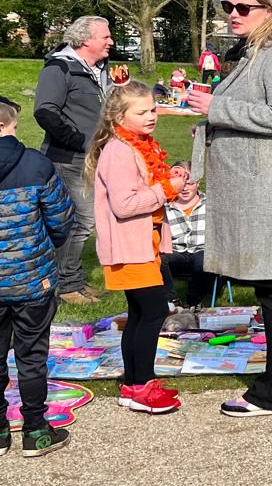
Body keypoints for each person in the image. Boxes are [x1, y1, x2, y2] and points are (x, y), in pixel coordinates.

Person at [185, 0, 272, 418]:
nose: (233, 15)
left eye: (244, 8)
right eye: (228, 7)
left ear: (269, 10)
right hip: (261, 188)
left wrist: (217, 108)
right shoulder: (253, 54)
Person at [88, 81, 182, 416]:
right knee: (154, 311)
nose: (151, 116)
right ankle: (142, 386)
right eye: (141, 112)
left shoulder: (139, 144)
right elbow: (125, 204)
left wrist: (167, 179)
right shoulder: (119, 151)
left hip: (144, 243)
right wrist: (166, 189)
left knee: (141, 313)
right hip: (129, 247)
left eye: (153, 109)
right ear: (119, 117)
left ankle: (134, 384)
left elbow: (143, 185)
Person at [0, 97, 75, 457]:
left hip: (24, 278)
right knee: (31, 355)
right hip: (32, 279)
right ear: (8, 124)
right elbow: (61, 218)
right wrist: (45, 246)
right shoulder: (35, 164)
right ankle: (35, 429)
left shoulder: (34, 164)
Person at [32, 14, 111, 305]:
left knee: (84, 221)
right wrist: (81, 142)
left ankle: (74, 280)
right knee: (78, 221)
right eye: (106, 36)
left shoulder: (98, 69)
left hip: (94, 156)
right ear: (86, 40)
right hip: (69, 158)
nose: (111, 41)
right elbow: (45, 111)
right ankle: (67, 287)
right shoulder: (59, 67)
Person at [161, 161, 217, 308]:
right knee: (160, 258)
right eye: (181, 184)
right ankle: (172, 301)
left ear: (198, 182)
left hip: (201, 251)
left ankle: (195, 300)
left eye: (190, 183)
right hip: (176, 252)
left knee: (202, 259)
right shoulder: (165, 206)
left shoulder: (210, 204)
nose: (185, 188)